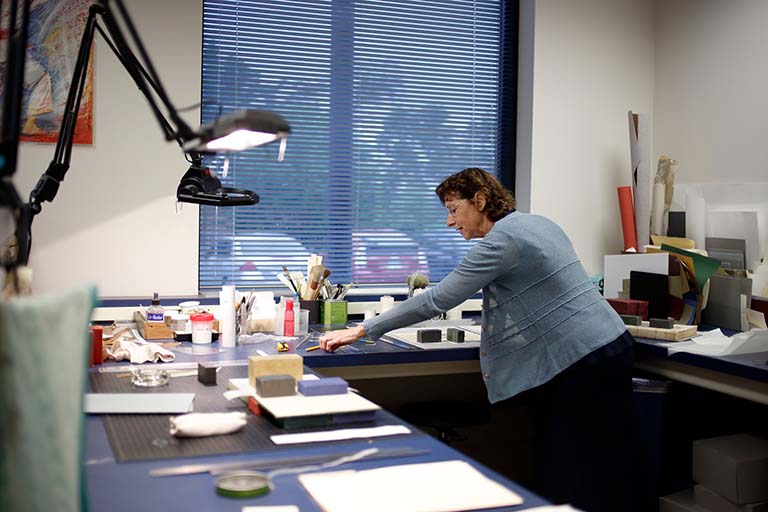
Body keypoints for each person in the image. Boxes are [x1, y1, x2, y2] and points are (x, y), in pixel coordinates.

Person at [319, 167, 634, 512]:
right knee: (605, 463)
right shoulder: (538, 223)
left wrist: (362, 329)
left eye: (454, 210)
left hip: (578, 363)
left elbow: (437, 299)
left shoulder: (501, 243)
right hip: (611, 345)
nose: (450, 223)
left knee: (569, 467)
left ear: (480, 201)